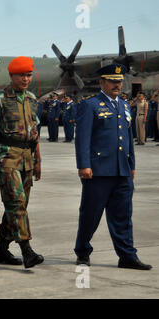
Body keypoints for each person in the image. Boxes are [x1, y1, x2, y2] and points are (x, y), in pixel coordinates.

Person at [74, 63, 152, 270]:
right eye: (112, 81)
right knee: (90, 215)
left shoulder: (124, 105)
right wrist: (83, 165)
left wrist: (131, 164)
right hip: (98, 171)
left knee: (123, 216)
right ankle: (82, 251)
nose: (117, 85)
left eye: (119, 81)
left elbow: (127, 137)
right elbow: (82, 138)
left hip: (122, 170)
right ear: (102, 82)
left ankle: (127, 256)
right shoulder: (90, 105)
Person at [0, 56, 44, 269]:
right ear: (12, 76)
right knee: (17, 203)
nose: (26, 79)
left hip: (27, 157)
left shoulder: (31, 98)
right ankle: (27, 250)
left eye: (28, 75)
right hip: (6, 156)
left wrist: (38, 160)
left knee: (17, 205)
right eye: (21, 75)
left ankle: (1, 249)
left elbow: (35, 132)